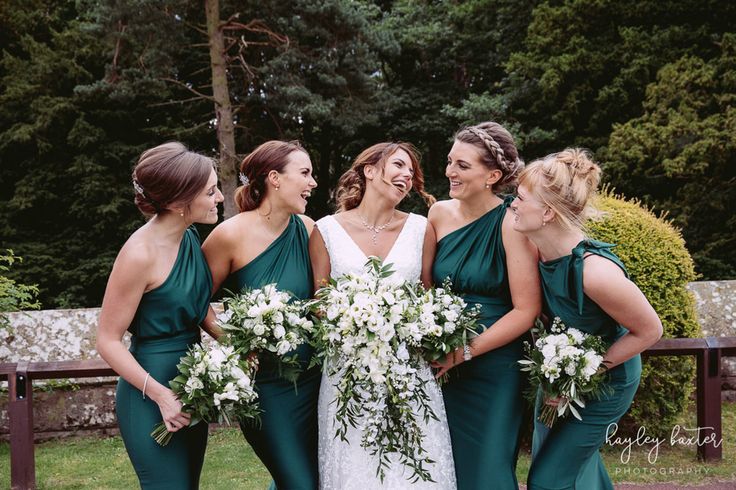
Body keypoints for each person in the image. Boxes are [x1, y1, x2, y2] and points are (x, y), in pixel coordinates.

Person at [510, 148, 662, 490]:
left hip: (609, 378)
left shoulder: (595, 273)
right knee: (576, 467)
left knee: (549, 479)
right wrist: (558, 374)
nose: (513, 205)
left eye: (519, 198)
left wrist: (580, 375)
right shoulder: (537, 250)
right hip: (560, 370)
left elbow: (650, 330)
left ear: (548, 212)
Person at [310, 142, 456, 489]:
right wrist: (354, 326)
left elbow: (426, 292)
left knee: (415, 467)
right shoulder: (325, 230)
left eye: (411, 172)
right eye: (399, 165)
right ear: (370, 170)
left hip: (410, 369)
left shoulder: (421, 228)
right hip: (348, 374)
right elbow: (319, 302)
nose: (407, 175)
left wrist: (414, 324)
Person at [96, 142, 224, 489]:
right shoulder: (138, 254)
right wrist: (162, 395)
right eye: (211, 191)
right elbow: (107, 339)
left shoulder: (190, 236)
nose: (220, 198)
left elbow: (196, 306)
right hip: (149, 391)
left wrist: (238, 343)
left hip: (191, 384)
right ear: (177, 202)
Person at [201, 140, 320, 489]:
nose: (313, 183)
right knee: (299, 483)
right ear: (274, 179)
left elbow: (322, 300)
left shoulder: (309, 229)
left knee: (313, 478)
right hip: (266, 389)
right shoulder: (229, 235)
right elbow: (193, 302)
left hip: (314, 381)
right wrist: (233, 342)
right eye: (305, 173)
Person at [429, 122, 542, 490]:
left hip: (493, 365)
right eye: (449, 162)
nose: (449, 172)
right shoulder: (438, 214)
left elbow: (527, 310)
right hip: (439, 359)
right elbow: (424, 287)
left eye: (462, 165)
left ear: (492, 175)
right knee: (442, 467)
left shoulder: (511, 222)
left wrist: (465, 351)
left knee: (487, 471)